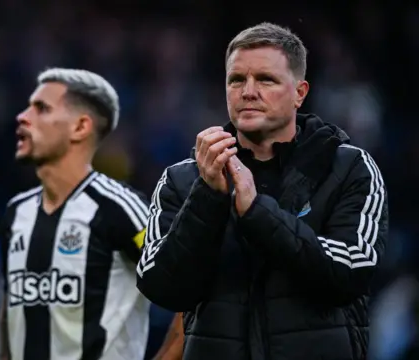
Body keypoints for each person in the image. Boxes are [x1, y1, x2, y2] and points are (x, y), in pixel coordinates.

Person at [136, 22, 388, 360]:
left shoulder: (347, 168)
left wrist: (256, 211)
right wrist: (208, 196)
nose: (248, 91)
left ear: (300, 92)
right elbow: (161, 286)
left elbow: (352, 272)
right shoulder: (183, 179)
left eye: (265, 80)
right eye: (236, 80)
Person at [0, 68, 154, 360]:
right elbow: (12, 311)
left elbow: (188, 287)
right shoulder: (16, 212)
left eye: (41, 108)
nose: (23, 116)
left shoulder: (120, 208)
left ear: (80, 127)